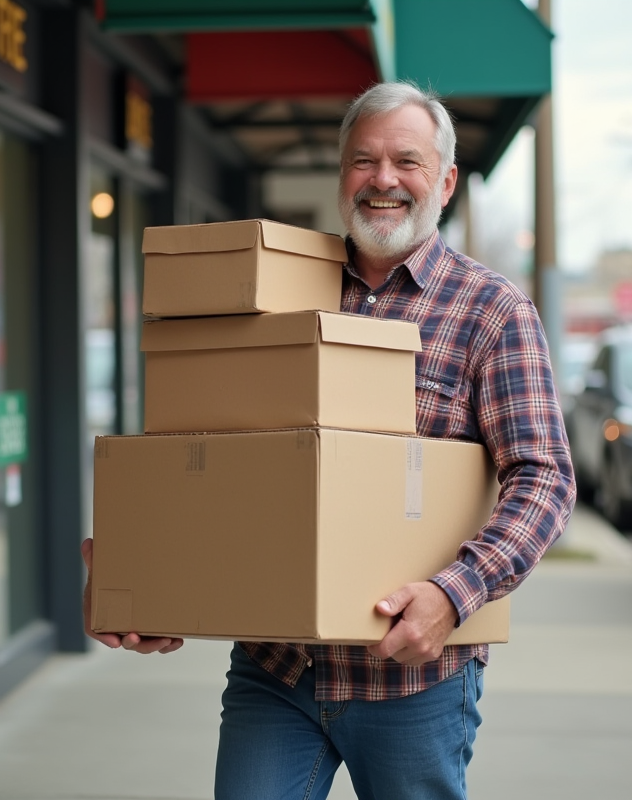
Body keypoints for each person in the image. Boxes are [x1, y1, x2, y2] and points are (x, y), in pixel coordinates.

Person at [82, 80, 575, 800]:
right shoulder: (280, 290)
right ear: (341, 175)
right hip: (277, 672)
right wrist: (150, 583)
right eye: (362, 161)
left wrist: (453, 594)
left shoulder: (493, 313)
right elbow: (214, 456)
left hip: (415, 680)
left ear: (444, 179)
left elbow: (545, 481)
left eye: (406, 161)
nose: (382, 180)